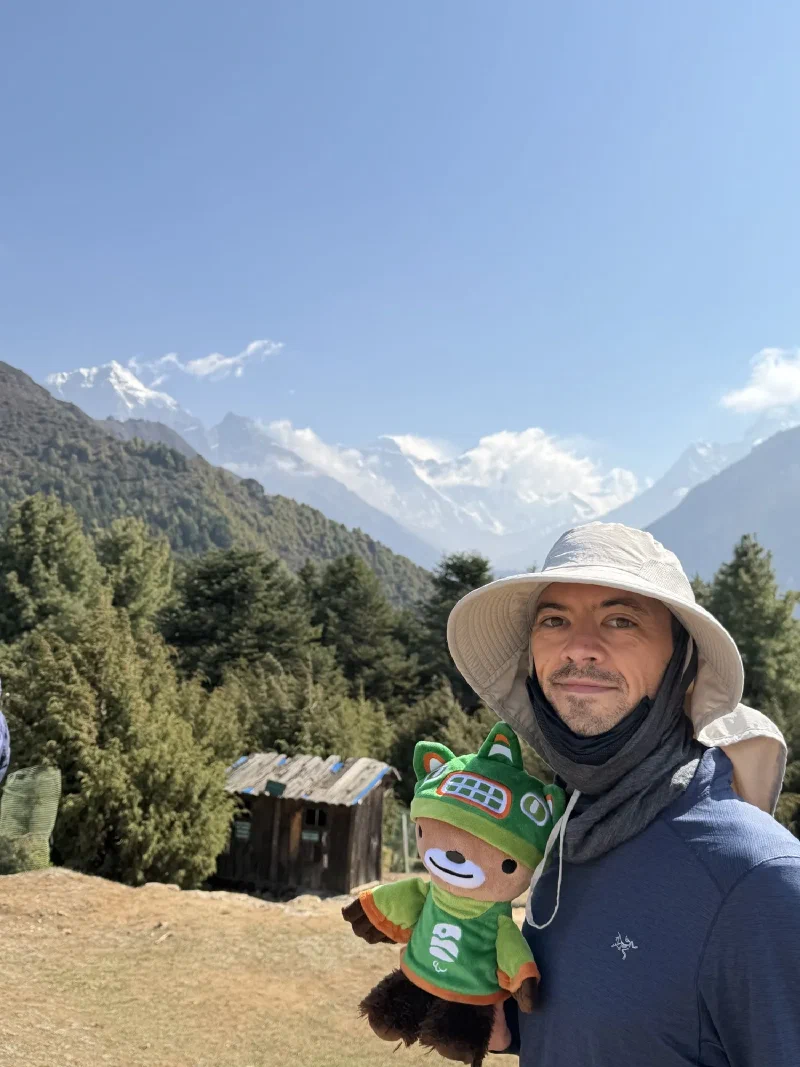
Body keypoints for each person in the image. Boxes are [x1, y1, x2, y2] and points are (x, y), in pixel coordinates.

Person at [447, 522, 800, 1066]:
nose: (579, 647)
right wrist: (507, 1024)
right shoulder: (571, 829)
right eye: (554, 620)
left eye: (621, 620)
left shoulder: (758, 880)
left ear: (683, 664)